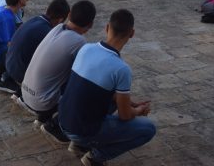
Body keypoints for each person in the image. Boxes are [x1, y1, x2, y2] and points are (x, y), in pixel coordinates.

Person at [59, 9, 156, 165]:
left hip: (63, 121)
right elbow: (125, 115)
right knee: (148, 129)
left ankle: (79, 144)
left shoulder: (86, 48)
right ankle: (95, 156)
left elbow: (93, 89)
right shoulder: (122, 69)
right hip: (81, 131)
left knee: (110, 97)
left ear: (107, 28)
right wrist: (139, 110)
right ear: (132, 34)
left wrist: (129, 103)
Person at [18, 1, 96, 143]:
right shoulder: (79, 42)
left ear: (69, 15)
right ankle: (57, 126)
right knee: (84, 87)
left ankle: (44, 117)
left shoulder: (57, 28)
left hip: (24, 92)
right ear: (90, 25)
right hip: (42, 103)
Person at [2, 0, 70, 91]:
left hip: (9, 64)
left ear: (48, 9)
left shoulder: (35, 19)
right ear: (60, 20)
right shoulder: (48, 33)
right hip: (19, 74)